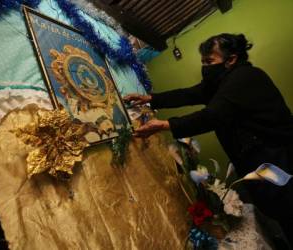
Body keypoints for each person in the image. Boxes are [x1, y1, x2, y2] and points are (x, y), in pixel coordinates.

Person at [124, 33, 293, 249]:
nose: (205, 67)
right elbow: (189, 94)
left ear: (231, 59)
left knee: (288, 211)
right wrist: (150, 99)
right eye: (203, 62)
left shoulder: (245, 77)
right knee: (280, 214)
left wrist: (166, 125)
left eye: (209, 61)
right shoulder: (220, 81)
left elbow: (213, 115)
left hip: (280, 160)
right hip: (261, 165)